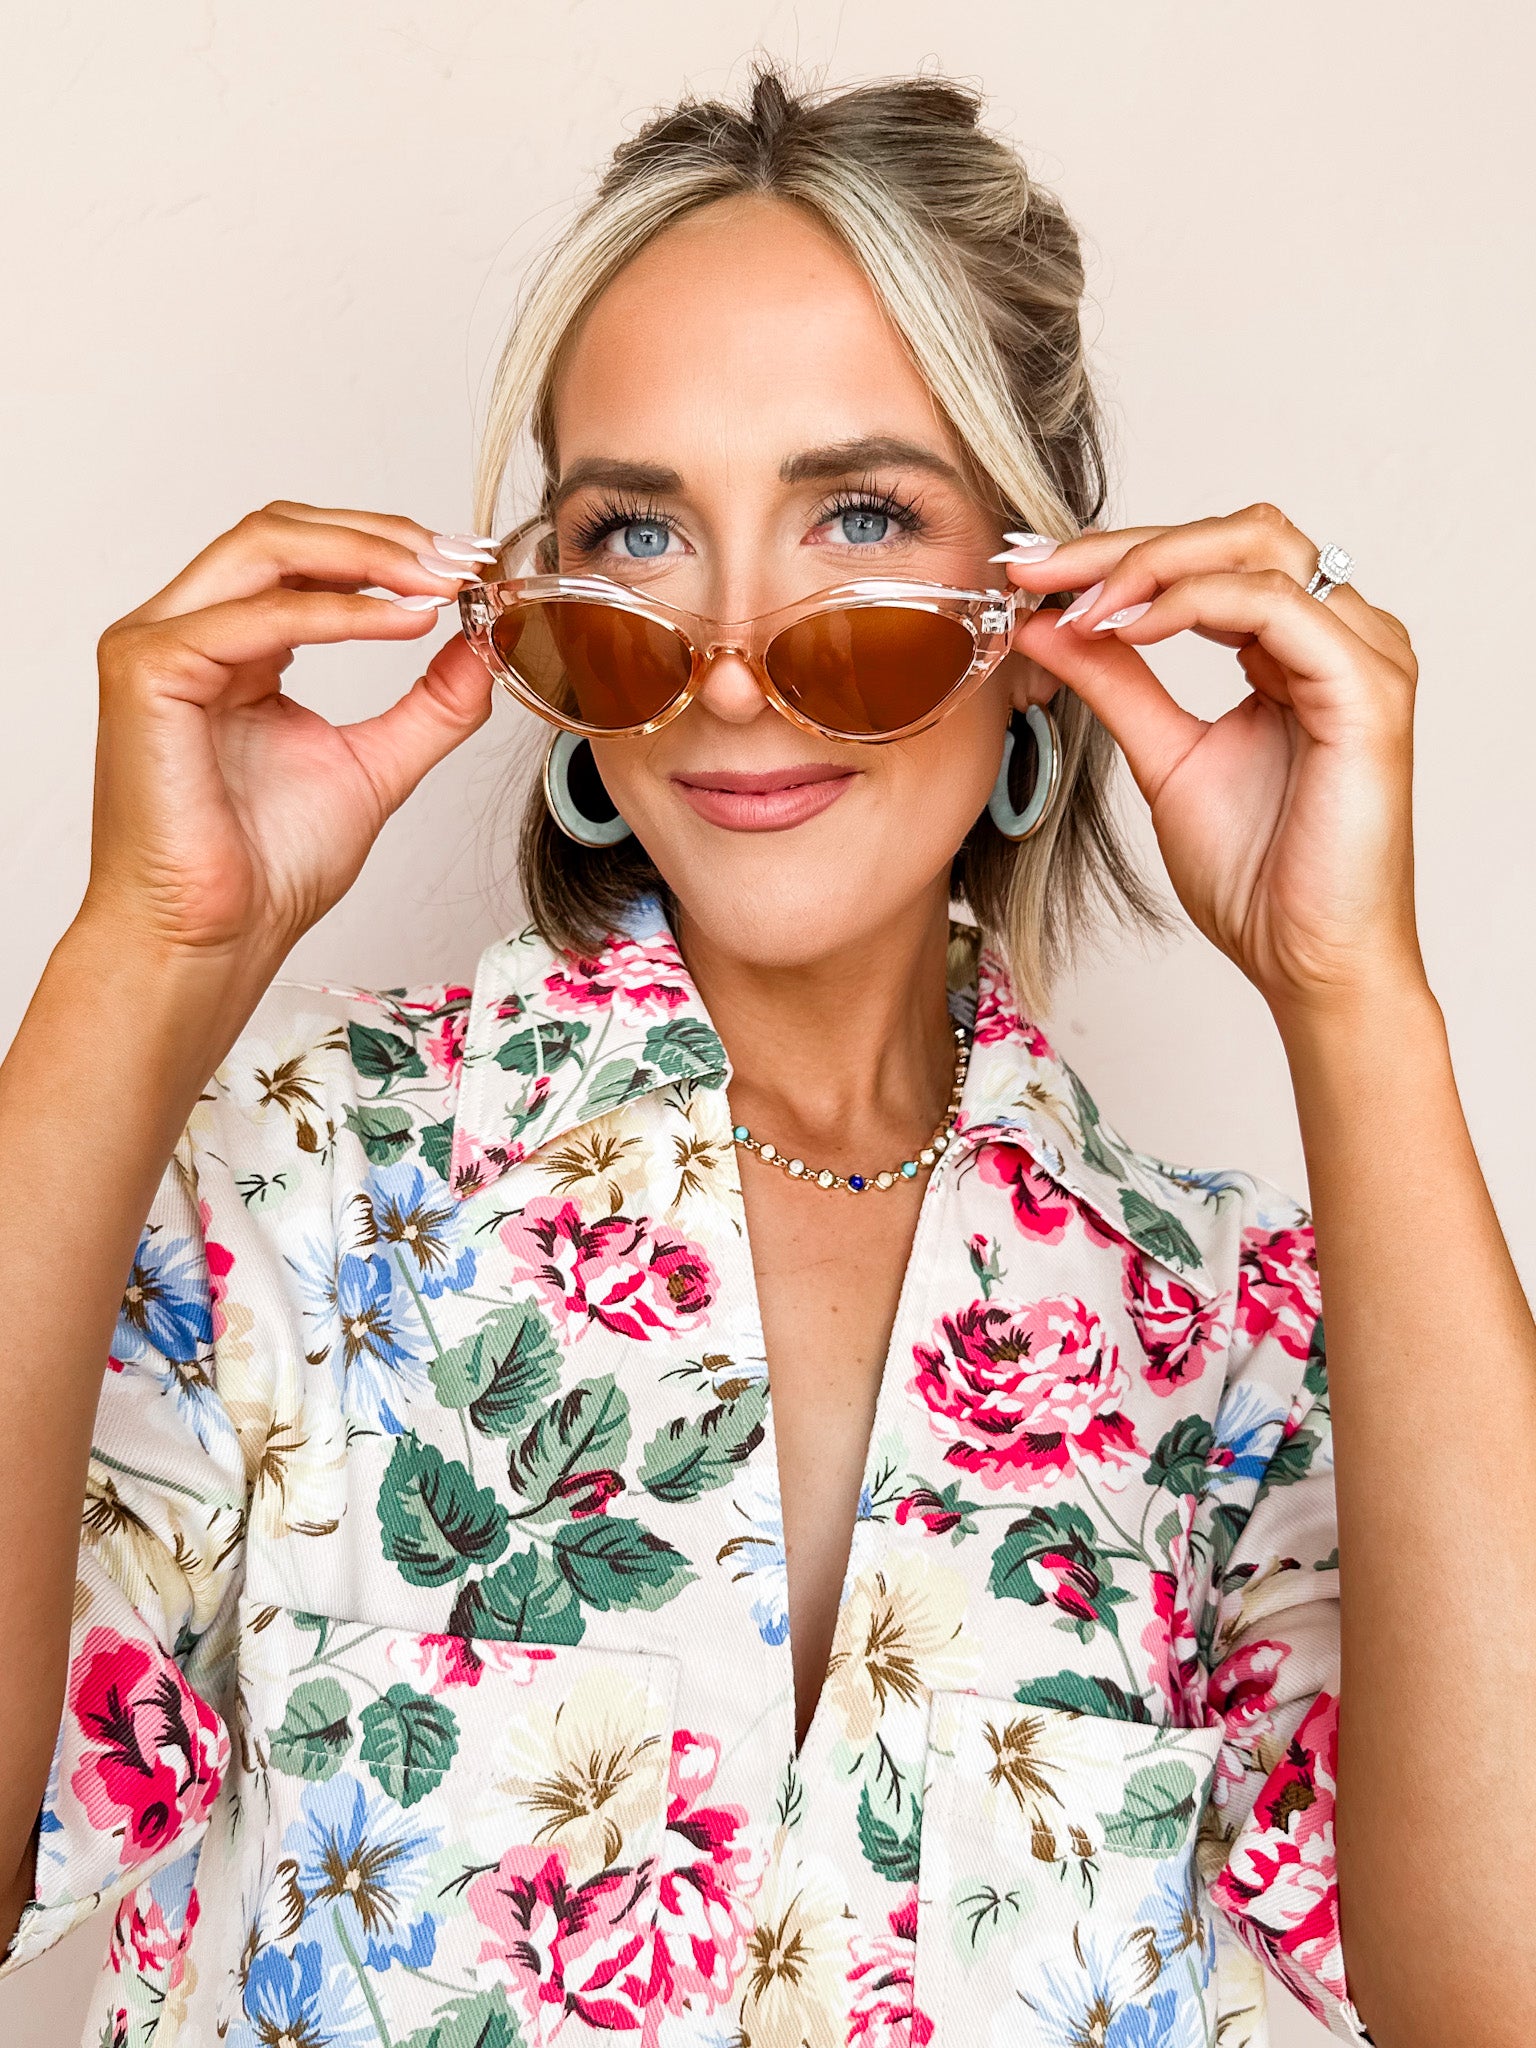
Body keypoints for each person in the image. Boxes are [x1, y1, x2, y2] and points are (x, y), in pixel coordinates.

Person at [0, 64, 1531, 2048]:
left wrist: (1355, 993)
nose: (729, 670)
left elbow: (1497, 1989)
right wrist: (146, 953)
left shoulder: (1241, 1346)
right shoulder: (288, 1190)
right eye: (638, 534)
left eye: (861, 519)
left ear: (1038, 610)